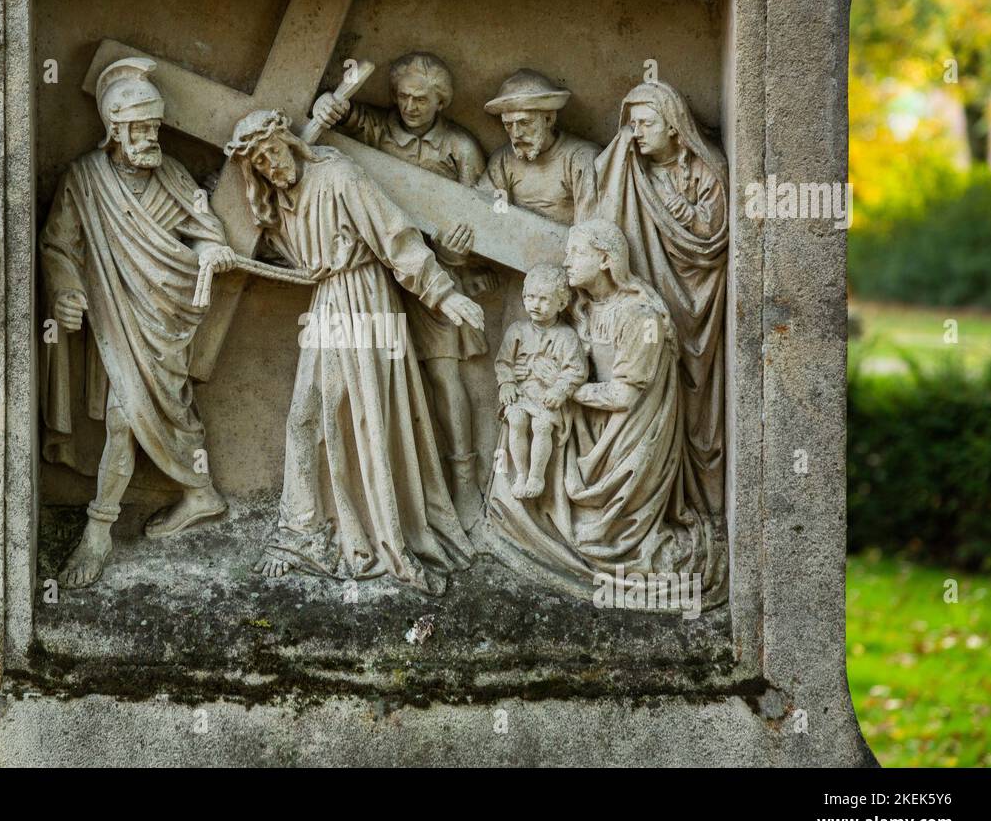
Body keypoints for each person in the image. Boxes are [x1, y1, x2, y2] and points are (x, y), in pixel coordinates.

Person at [224, 108, 483, 595]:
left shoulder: (340, 176)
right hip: (328, 305)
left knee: (365, 414)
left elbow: (394, 238)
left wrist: (445, 294)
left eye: (273, 153)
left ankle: (383, 532)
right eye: (259, 164)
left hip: (365, 301)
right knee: (305, 416)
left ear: (289, 142)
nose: (271, 167)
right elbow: (298, 261)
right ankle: (303, 531)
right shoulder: (283, 200)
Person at [40, 57, 233, 588]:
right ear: (115, 129)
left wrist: (213, 252)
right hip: (116, 318)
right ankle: (99, 531)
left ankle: (199, 492)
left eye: (155, 126)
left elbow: (205, 228)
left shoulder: (172, 174)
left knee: (168, 406)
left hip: (166, 318)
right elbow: (59, 245)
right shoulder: (84, 180)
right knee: (125, 415)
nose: (152, 136)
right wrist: (67, 290)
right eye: (140, 128)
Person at [486, 220, 727, 607]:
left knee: (583, 520)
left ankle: (598, 530)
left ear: (605, 259)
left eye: (575, 253)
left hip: (628, 437)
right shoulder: (583, 308)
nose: (566, 261)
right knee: (520, 422)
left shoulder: (641, 315)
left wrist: (565, 388)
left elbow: (624, 397)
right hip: (589, 423)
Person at [310, 51, 494, 528]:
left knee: (443, 377)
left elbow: (487, 229)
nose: (410, 107)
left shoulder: (460, 148)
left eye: (422, 100)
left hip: (433, 273)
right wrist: (330, 103)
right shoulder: (379, 127)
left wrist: (456, 256)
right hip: (375, 274)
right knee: (375, 380)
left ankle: (465, 484)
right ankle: (390, 492)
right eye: (404, 97)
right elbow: (337, 120)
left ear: (442, 102)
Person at [595, 80, 728, 514]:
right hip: (651, 294)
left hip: (698, 294)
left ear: (673, 126)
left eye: (647, 123)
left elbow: (712, 234)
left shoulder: (705, 171)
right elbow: (602, 199)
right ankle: (657, 497)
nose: (637, 133)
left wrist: (677, 207)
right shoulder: (634, 171)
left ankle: (697, 498)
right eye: (632, 124)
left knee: (695, 398)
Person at [494, 264, 586, 499]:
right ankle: (521, 474)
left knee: (541, 425)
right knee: (516, 419)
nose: (536, 304)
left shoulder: (566, 336)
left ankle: (536, 475)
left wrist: (560, 389)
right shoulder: (517, 330)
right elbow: (503, 361)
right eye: (531, 297)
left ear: (561, 303)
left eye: (544, 299)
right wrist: (506, 383)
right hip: (522, 394)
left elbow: (576, 370)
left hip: (548, 397)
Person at [478, 68, 600, 226]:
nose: (516, 133)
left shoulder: (581, 158)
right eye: (508, 125)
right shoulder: (503, 160)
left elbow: (589, 228)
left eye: (524, 123)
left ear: (549, 119)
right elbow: (488, 213)